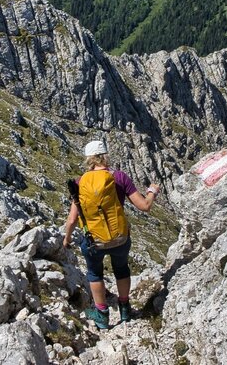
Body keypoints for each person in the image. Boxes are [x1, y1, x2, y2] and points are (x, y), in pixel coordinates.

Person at [62, 140, 162, 329]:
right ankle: (124, 308)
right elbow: (145, 206)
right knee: (122, 269)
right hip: (120, 238)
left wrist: (67, 239)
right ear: (105, 155)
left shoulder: (79, 183)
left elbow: (72, 220)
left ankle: (102, 315)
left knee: (94, 274)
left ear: (88, 159)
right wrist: (152, 192)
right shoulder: (119, 177)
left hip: (93, 241)